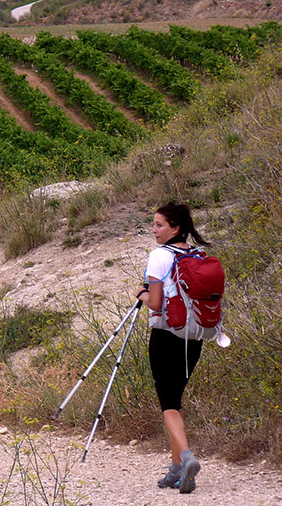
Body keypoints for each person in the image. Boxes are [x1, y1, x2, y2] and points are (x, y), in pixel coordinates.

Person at [135, 202, 209, 494]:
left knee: (168, 404)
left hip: (166, 336)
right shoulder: (198, 254)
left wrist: (141, 293)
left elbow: (155, 302)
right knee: (175, 402)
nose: (154, 230)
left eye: (159, 225)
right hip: (195, 336)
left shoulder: (159, 256)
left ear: (175, 228)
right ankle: (176, 470)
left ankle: (187, 458)